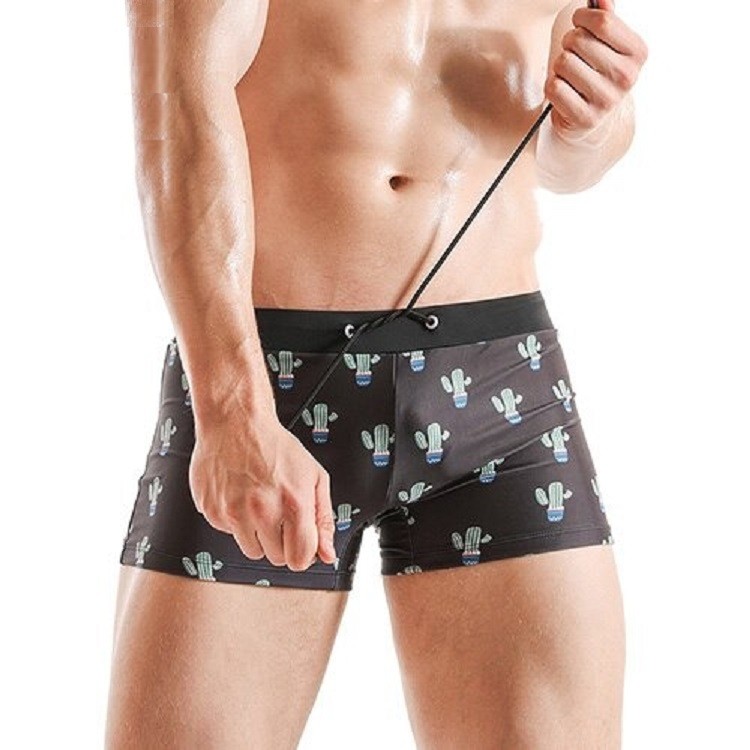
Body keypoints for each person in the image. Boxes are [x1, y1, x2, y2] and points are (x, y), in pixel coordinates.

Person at [105, 0, 648, 747]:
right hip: (269, 381)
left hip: (500, 381)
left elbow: (562, 152)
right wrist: (234, 411)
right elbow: (180, 111)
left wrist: (591, 122)